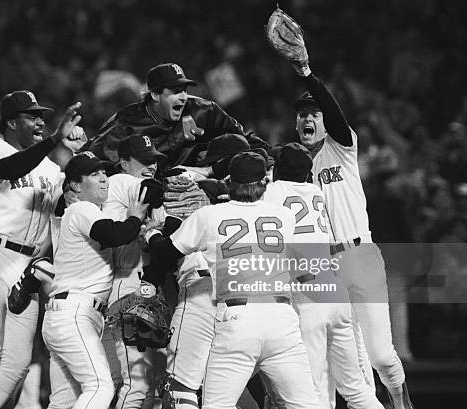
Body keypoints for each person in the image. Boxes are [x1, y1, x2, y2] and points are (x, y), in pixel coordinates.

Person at [143, 152, 323, 409]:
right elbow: (307, 275)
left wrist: (152, 234)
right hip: (282, 320)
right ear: (264, 184)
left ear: (229, 182)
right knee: (307, 405)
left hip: (238, 319)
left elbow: (164, 255)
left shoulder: (209, 215)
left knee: (216, 405)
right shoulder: (284, 216)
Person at [0, 91, 86, 409]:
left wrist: (76, 154)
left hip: (28, 263)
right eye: (31, 115)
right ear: (11, 122)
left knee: (18, 360)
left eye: (42, 115)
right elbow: (12, 168)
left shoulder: (50, 168)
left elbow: (67, 202)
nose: (40, 120)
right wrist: (53, 140)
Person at [287, 61, 414, 408]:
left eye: (313, 113)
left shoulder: (341, 146)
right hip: (324, 268)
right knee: (350, 368)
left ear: (326, 120)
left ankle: (401, 398)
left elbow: (334, 111)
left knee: (381, 356)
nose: (307, 119)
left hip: (360, 255)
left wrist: (307, 75)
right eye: (301, 115)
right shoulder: (293, 164)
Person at [264, 142, 384, 409]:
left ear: (278, 170)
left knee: (313, 389)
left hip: (309, 296)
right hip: (335, 291)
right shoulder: (316, 192)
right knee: (355, 388)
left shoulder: (273, 191)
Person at [42, 152, 149, 408]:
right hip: (75, 313)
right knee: (100, 387)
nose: (103, 179)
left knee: (63, 401)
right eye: (94, 174)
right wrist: (135, 217)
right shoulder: (82, 208)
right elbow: (114, 234)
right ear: (76, 186)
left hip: (64, 314)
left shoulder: (78, 212)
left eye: (103, 172)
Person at [86, 63, 256, 170]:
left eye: (184, 90)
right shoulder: (126, 123)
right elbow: (93, 163)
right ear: (154, 95)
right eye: (175, 92)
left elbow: (244, 140)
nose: (183, 97)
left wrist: (272, 157)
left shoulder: (204, 110)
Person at [100, 134, 166, 409]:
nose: (151, 166)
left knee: (147, 385)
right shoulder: (121, 182)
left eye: (154, 161)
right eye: (144, 161)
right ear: (124, 163)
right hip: (125, 283)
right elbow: (153, 190)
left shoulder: (129, 184)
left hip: (140, 286)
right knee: (136, 385)